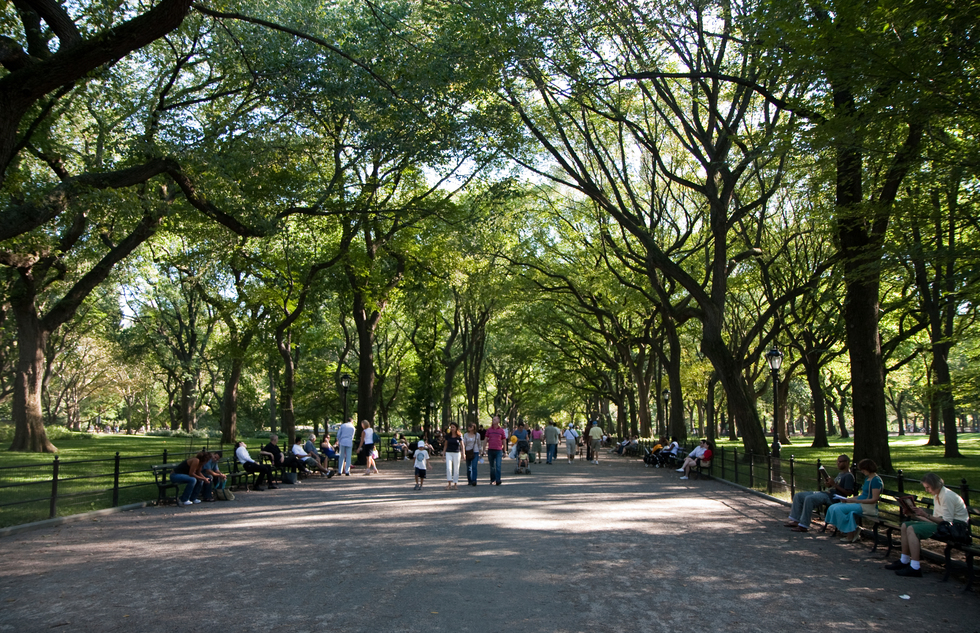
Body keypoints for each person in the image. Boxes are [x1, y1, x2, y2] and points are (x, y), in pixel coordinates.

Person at [886, 473, 970, 577]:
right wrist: (914, 515)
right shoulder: (937, 495)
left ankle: (915, 567)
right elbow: (934, 520)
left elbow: (946, 522)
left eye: (928, 487)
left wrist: (925, 515)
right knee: (905, 525)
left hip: (955, 528)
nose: (927, 490)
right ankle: (904, 560)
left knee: (912, 529)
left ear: (935, 485)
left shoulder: (947, 496)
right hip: (944, 525)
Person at [784, 455, 856, 532]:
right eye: (837, 461)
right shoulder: (840, 474)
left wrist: (834, 484)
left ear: (847, 462)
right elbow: (834, 486)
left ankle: (803, 525)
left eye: (841, 462)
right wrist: (829, 484)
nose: (838, 463)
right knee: (799, 495)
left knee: (809, 499)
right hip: (826, 493)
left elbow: (848, 493)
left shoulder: (848, 476)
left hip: (833, 497)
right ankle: (796, 520)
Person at [824, 458, 883, 542]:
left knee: (838, 509)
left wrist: (856, 501)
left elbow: (874, 499)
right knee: (833, 507)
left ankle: (852, 531)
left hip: (867, 507)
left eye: (863, 469)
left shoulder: (876, 481)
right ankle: (852, 531)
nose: (862, 471)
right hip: (860, 503)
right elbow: (862, 495)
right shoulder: (867, 479)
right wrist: (849, 499)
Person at [485, 415, 507, 486]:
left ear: (498, 421)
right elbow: (485, 440)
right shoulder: (489, 430)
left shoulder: (501, 430)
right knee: (492, 466)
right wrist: (483, 449)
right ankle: (492, 479)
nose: (493, 421)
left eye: (495, 419)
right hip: (490, 450)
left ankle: (498, 480)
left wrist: (505, 451)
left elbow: (504, 441)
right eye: (493, 419)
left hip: (498, 450)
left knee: (498, 465)